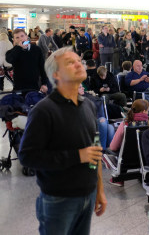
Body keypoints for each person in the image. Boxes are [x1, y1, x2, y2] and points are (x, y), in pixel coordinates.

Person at [18, 47, 107, 234]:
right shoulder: (44, 111)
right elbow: (28, 156)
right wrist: (77, 156)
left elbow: (95, 150)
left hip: (88, 195)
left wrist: (99, 189)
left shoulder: (88, 105)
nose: (79, 64)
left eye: (78, 60)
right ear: (56, 74)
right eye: (70, 62)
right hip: (59, 199)